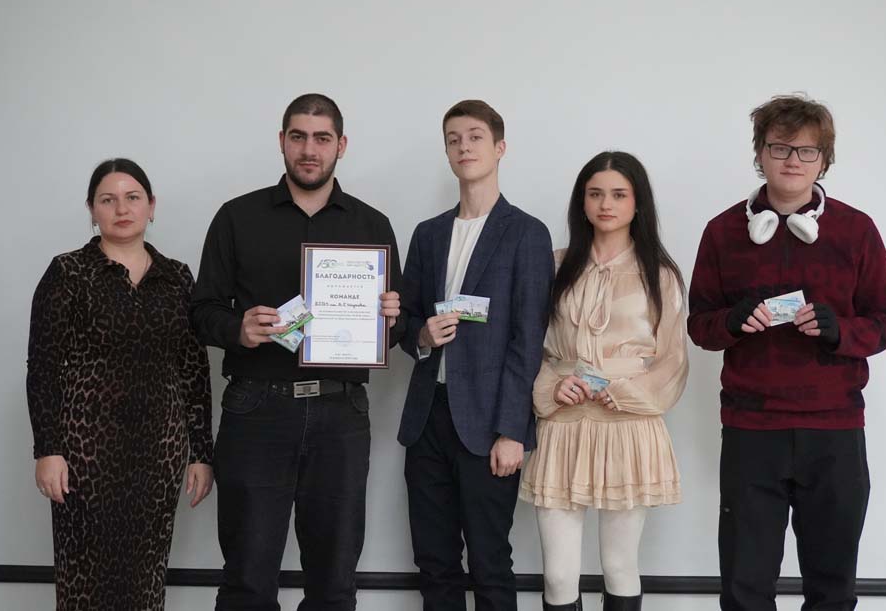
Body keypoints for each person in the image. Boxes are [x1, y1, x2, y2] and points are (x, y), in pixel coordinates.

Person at [687, 94, 886, 611]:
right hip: (751, 429)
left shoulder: (856, 230)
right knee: (744, 587)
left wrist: (839, 330)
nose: (792, 160)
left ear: (824, 160)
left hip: (834, 429)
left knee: (833, 587)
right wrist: (732, 322)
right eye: (780, 147)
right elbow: (699, 325)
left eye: (807, 151)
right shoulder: (722, 232)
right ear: (759, 153)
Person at [190, 93, 403, 611]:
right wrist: (238, 328)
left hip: (341, 412)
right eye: (299, 137)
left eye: (322, 138)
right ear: (282, 141)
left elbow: (390, 334)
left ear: (341, 145)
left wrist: (390, 319)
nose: (310, 150)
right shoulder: (236, 217)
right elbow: (201, 311)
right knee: (247, 579)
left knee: (334, 582)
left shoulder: (372, 226)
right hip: (256, 409)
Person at [27, 158, 214, 611]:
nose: (122, 209)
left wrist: (201, 453)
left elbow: (193, 369)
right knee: (85, 578)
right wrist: (47, 449)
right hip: (84, 454)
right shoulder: (69, 272)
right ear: (92, 209)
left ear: (152, 205)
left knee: (144, 578)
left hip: (159, 452)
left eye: (133, 198)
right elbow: (43, 367)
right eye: (108, 200)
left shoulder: (177, 277)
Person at [398, 99, 554, 610]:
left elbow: (528, 339)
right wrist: (421, 336)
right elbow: (405, 321)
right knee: (434, 563)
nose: (463, 147)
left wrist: (513, 430)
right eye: (453, 139)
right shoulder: (428, 234)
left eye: (474, 137)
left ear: (499, 147)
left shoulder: (527, 233)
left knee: (489, 563)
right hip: (427, 420)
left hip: (489, 423)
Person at [519, 151, 688, 611]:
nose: (606, 204)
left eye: (618, 194)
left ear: (638, 203)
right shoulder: (553, 266)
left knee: (619, 566)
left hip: (628, 428)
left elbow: (673, 358)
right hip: (564, 424)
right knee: (557, 576)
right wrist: (550, 387)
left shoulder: (660, 275)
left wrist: (629, 394)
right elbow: (527, 346)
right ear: (582, 202)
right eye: (595, 194)